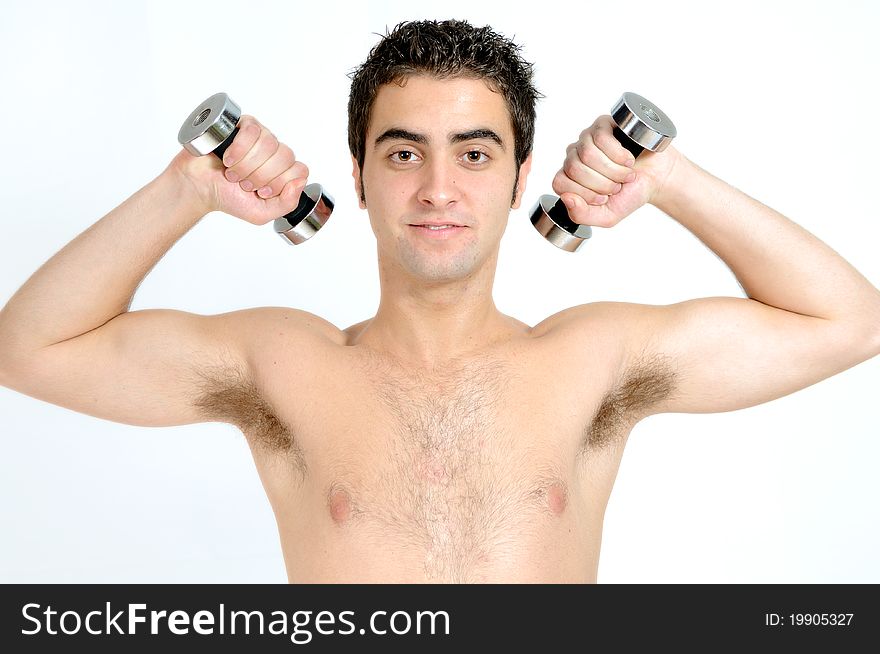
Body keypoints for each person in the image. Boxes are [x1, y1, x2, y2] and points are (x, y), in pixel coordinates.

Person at [1, 19, 878, 584]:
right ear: (359, 175)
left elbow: (850, 322)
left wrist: (667, 178)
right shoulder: (283, 364)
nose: (437, 191)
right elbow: (28, 350)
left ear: (519, 178)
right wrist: (188, 188)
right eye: (403, 153)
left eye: (474, 153)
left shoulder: (591, 360)